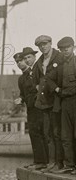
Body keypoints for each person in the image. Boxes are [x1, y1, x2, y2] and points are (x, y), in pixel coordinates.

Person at [32, 34, 64, 171]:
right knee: (49, 132)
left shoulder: (59, 57)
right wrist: (38, 88)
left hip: (59, 100)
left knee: (58, 132)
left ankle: (60, 163)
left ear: (51, 43)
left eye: (45, 44)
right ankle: (52, 162)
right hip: (46, 103)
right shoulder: (40, 61)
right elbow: (36, 79)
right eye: (40, 45)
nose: (43, 47)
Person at [15, 48, 47, 168]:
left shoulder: (37, 71)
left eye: (21, 60)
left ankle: (45, 162)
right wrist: (21, 99)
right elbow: (23, 93)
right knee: (33, 133)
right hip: (31, 108)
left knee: (42, 132)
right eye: (17, 62)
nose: (19, 63)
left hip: (40, 106)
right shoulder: (21, 79)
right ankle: (38, 161)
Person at [56, 36, 76, 174]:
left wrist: (63, 91)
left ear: (73, 47)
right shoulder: (61, 65)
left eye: (67, 48)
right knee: (66, 135)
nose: (65, 51)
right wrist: (56, 89)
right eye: (62, 49)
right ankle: (70, 165)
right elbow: (50, 80)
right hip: (65, 103)